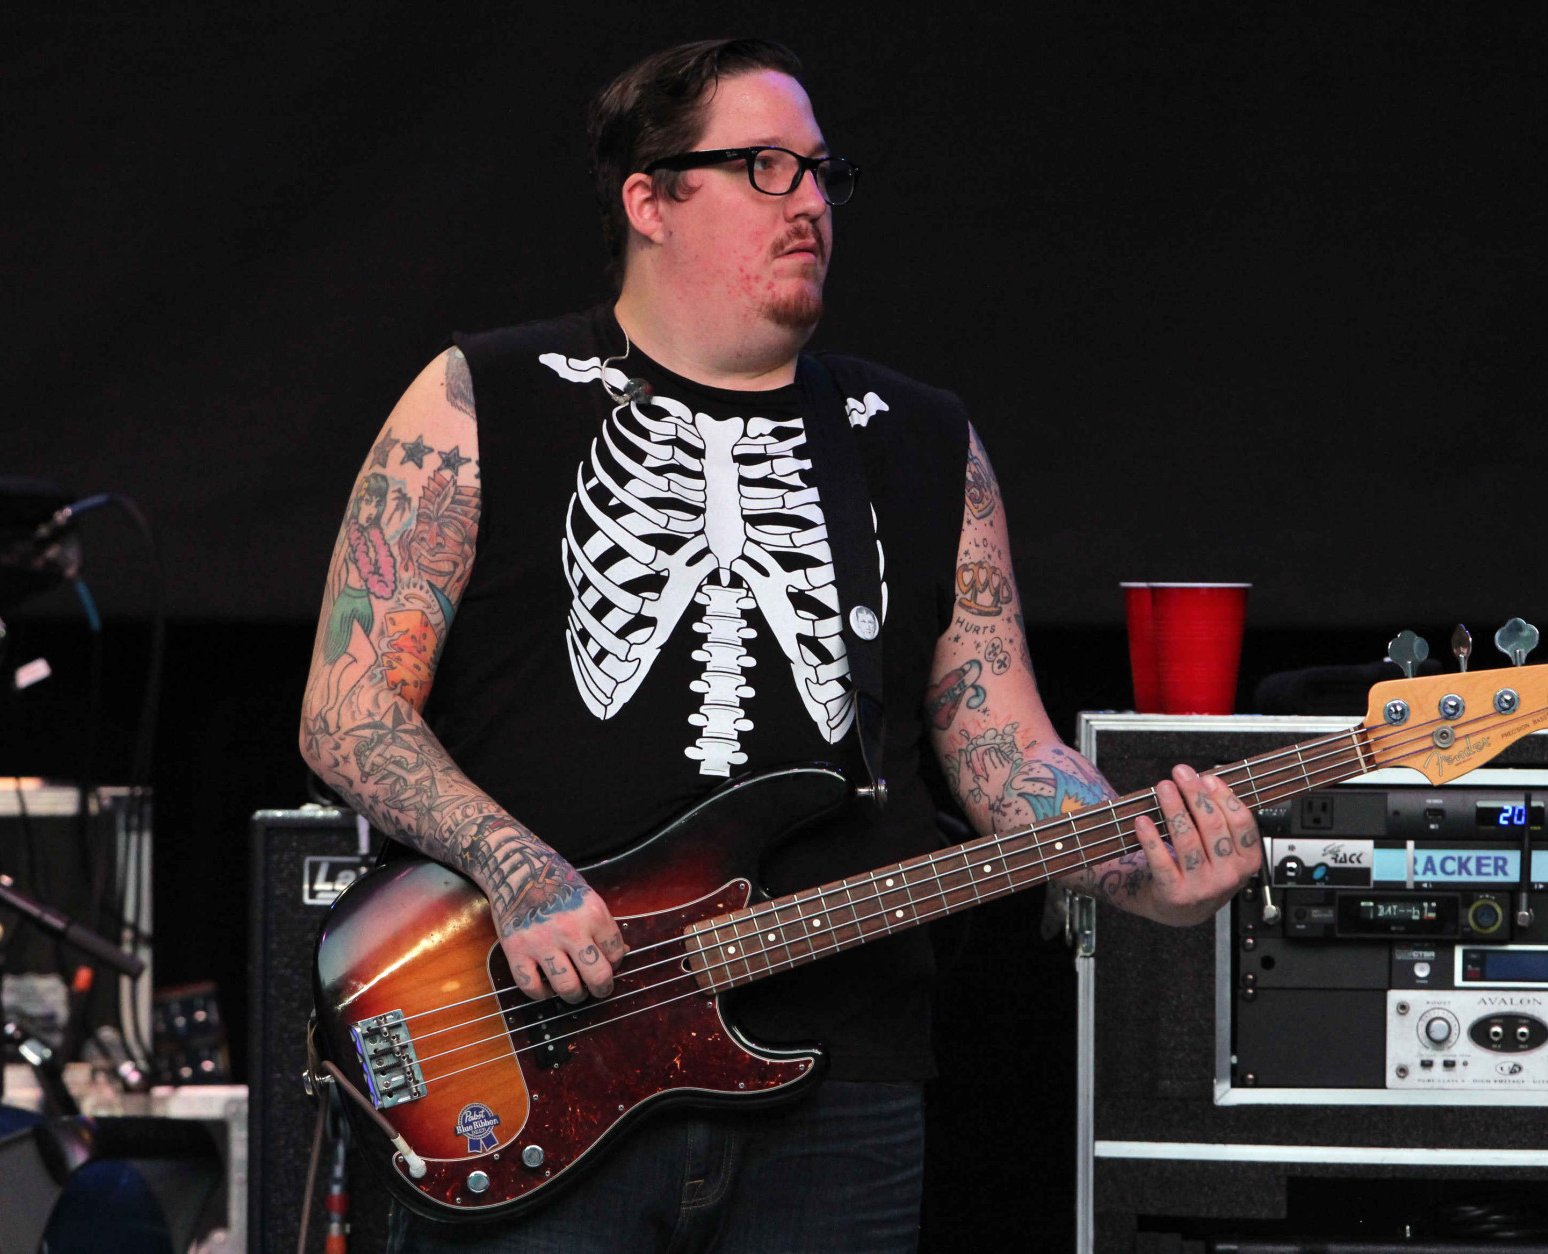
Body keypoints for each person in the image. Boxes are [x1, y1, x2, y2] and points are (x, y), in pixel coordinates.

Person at [299, 37, 1264, 1253]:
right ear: (648, 198)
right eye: (761, 167)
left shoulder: (919, 441)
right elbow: (345, 710)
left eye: (818, 172)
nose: (807, 200)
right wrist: (519, 868)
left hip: (841, 1081)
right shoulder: (479, 400)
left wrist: (1139, 876)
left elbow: (999, 744)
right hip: (533, 1046)